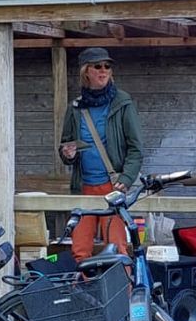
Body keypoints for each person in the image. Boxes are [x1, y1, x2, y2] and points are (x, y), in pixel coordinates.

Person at [58, 46, 144, 263]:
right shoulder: (75, 108)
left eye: (107, 66)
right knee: (80, 250)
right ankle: (83, 294)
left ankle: (122, 295)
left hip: (113, 187)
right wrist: (68, 154)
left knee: (117, 249)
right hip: (84, 187)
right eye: (98, 66)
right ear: (86, 71)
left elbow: (136, 149)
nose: (103, 70)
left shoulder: (123, 103)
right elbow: (65, 147)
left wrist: (126, 179)